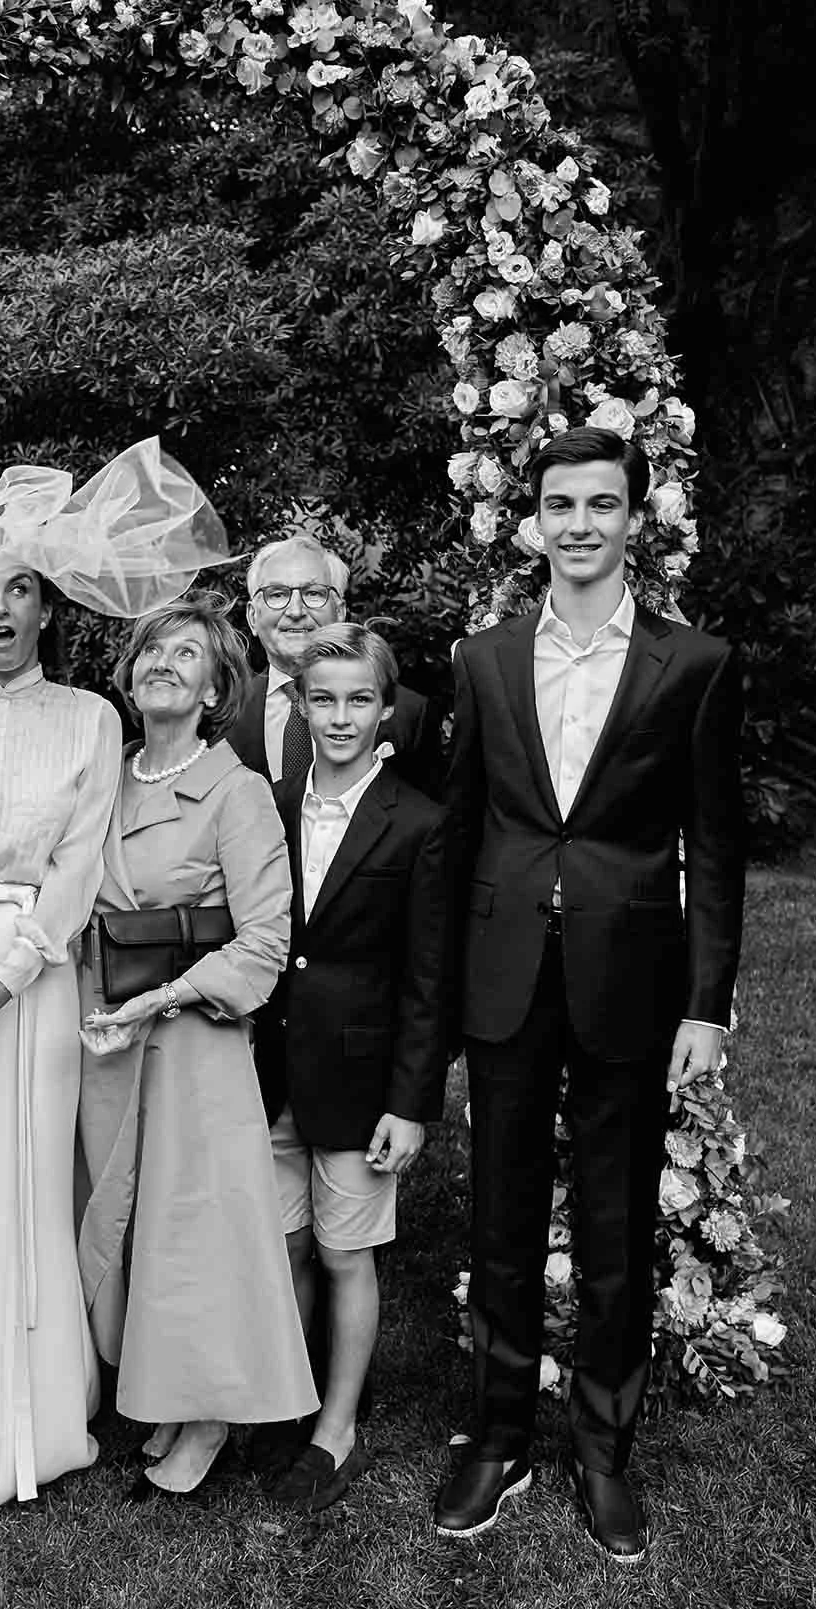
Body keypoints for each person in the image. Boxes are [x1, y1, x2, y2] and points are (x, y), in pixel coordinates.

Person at [0, 438, 233, 1520]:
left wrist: (5, 978)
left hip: (32, 977)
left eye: (16, 590)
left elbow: (77, 865)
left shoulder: (90, 719)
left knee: (22, 1185)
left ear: (46, 606)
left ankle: (27, 1403)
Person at [436, 427, 746, 1563]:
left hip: (631, 978)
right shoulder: (484, 658)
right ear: (530, 521)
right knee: (501, 1223)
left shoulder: (694, 663)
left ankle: (603, 1454)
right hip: (506, 974)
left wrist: (706, 1006)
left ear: (632, 520)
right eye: (558, 504)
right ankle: (498, 1439)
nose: (577, 524)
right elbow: (464, 827)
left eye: (599, 505)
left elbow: (714, 847)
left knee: (616, 1231)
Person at [73, 592, 314, 1501]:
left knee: (197, 1229)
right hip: (109, 1040)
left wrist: (164, 998)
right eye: (150, 653)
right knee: (127, 1218)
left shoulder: (237, 790)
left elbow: (263, 943)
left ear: (219, 687)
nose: (164, 665)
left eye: (187, 655)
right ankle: (161, 1392)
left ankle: (211, 1410)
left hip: (196, 1041)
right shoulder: (104, 777)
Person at [248, 622, 447, 1513]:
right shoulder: (268, 798)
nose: (340, 715)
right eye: (321, 698)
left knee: (343, 1249)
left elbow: (428, 980)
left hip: (362, 1078)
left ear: (386, 707)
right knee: (284, 1240)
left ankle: (338, 1427)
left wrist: (410, 1101)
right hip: (270, 1066)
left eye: (358, 698)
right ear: (296, 703)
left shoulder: (419, 821)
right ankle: (283, 1400)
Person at [227, 534, 437, 794]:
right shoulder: (222, 715)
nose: (295, 611)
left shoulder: (407, 714)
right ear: (252, 617)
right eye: (277, 594)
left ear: (340, 612)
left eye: (313, 594)